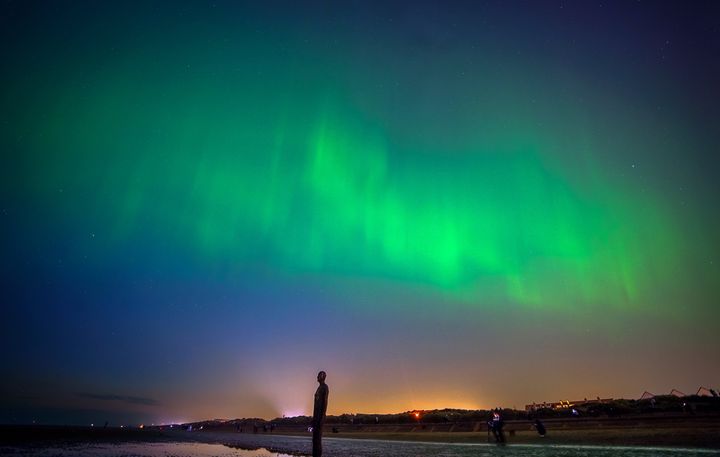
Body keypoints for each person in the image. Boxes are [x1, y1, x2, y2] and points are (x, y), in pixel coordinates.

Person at [312, 371, 329, 457]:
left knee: (318, 439)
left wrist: (322, 416)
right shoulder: (319, 388)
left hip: (320, 416)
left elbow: (325, 402)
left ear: (322, 377)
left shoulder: (325, 387)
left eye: (318, 375)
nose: (317, 377)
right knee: (314, 439)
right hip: (316, 416)